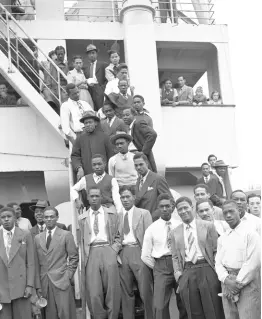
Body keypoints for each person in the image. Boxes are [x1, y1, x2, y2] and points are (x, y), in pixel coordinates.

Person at [172, 196, 225, 319]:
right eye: (180, 209)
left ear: (192, 207)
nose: (183, 211)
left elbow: (216, 250)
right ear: (177, 212)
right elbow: (175, 256)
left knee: (213, 308)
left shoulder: (208, 226)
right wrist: (178, 275)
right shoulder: (174, 232)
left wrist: (217, 271)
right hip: (188, 271)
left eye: (186, 207)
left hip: (207, 268)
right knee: (193, 311)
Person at [78, 187, 121, 319]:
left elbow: (119, 236)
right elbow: (80, 239)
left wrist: (114, 249)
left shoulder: (112, 214)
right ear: (88, 198)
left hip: (108, 249)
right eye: (92, 196)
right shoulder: (82, 218)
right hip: (91, 252)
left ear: (101, 197)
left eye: (97, 195)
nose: (94, 198)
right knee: (94, 292)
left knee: (112, 290)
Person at [141, 194, 186, 319]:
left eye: (167, 206)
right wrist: (158, 267)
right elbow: (145, 255)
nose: (165, 209)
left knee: (184, 301)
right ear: (158, 208)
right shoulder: (152, 228)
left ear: (172, 207)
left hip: (180, 265)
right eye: (162, 206)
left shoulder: (180, 225)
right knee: (160, 305)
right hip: (161, 265)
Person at [215, 200, 261, 319]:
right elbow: (218, 263)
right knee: (231, 316)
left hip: (247, 282)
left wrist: (237, 285)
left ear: (239, 211)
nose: (228, 215)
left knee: (249, 315)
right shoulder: (223, 238)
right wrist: (226, 279)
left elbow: (253, 263)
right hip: (227, 281)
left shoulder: (251, 234)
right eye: (225, 213)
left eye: (231, 211)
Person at [34, 206, 78, 319]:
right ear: (43, 219)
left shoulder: (65, 235)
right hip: (44, 281)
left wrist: (68, 275)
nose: (49, 219)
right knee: (49, 314)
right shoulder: (37, 238)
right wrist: (38, 283)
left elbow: (74, 257)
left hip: (61, 279)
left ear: (57, 218)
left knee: (65, 312)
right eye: (46, 217)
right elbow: (36, 262)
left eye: (52, 217)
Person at [119, 186, 153, 319]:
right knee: (125, 290)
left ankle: (151, 316)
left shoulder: (144, 213)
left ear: (134, 197)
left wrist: (147, 255)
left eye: (128, 197)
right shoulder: (117, 215)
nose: (125, 200)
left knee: (145, 289)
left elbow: (149, 236)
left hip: (140, 251)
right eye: (122, 197)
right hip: (123, 252)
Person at [0, 206, 34, 319]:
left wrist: (29, 285)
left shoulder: (25, 234)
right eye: (3, 217)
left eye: (9, 216)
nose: (6, 219)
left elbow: (30, 263)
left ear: (15, 218)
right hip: (2, 287)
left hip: (21, 286)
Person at [71, 111, 114, 179]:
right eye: (86, 123)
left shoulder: (104, 137)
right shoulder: (80, 138)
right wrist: (79, 168)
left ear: (95, 123)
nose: (88, 124)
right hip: (87, 175)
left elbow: (111, 156)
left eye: (90, 122)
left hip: (104, 174)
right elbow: (75, 156)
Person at [133, 152, 174, 217]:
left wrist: (156, 216)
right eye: (136, 165)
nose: (138, 167)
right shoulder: (137, 181)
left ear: (147, 163)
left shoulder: (158, 179)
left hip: (154, 221)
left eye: (141, 164)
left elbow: (170, 202)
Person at [122, 107, 157, 172]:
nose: (124, 117)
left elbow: (153, 134)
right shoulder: (129, 128)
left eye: (127, 115)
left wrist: (143, 152)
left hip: (138, 155)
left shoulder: (138, 123)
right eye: (123, 115)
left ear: (134, 115)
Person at [83, 44, 108, 111]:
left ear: (96, 54)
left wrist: (102, 88)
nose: (91, 55)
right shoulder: (85, 67)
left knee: (101, 109)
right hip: (89, 90)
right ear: (87, 55)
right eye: (89, 53)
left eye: (93, 53)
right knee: (91, 109)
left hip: (99, 89)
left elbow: (107, 79)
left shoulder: (103, 64)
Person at [46, 45, 69, 112]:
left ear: (64, 54)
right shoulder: (52, 63)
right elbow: (39, 66)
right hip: (56, 90)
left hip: (65, 89)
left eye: (62, 54)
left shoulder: (66, 64)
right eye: (58, 54)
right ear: (56, 54)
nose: (60, 56)